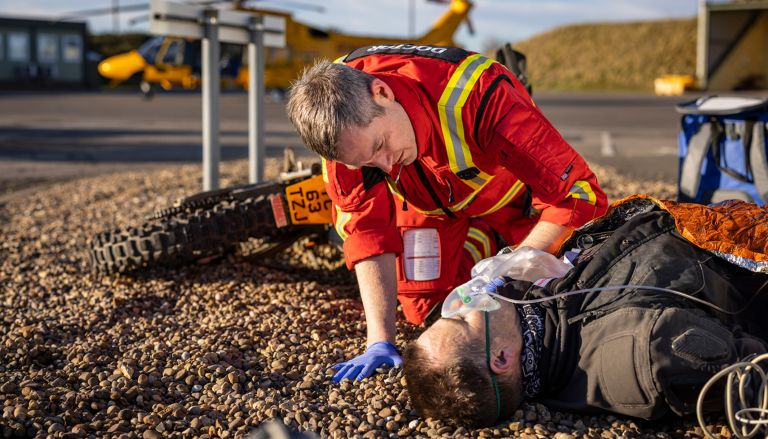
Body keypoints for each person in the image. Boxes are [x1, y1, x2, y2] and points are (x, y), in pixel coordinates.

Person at [286, 44, 608, 382]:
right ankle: (480, 240)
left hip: (508, 199)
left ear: (382, 92)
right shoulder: (339, 128)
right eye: (367, 162)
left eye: (381, 146)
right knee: (423, 310)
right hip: (428, 205)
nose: (384, 166)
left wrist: (508, 270)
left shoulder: (480, 93)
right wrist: (379, 339)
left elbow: (578, 196)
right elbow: (365, 229)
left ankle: (496, 239)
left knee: (549, 288)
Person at [402, 197, 768, 429]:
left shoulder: (535, 316)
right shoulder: (642, 353)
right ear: (501, 357)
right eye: (460, 318)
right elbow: (756, 382)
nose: (463, 299)